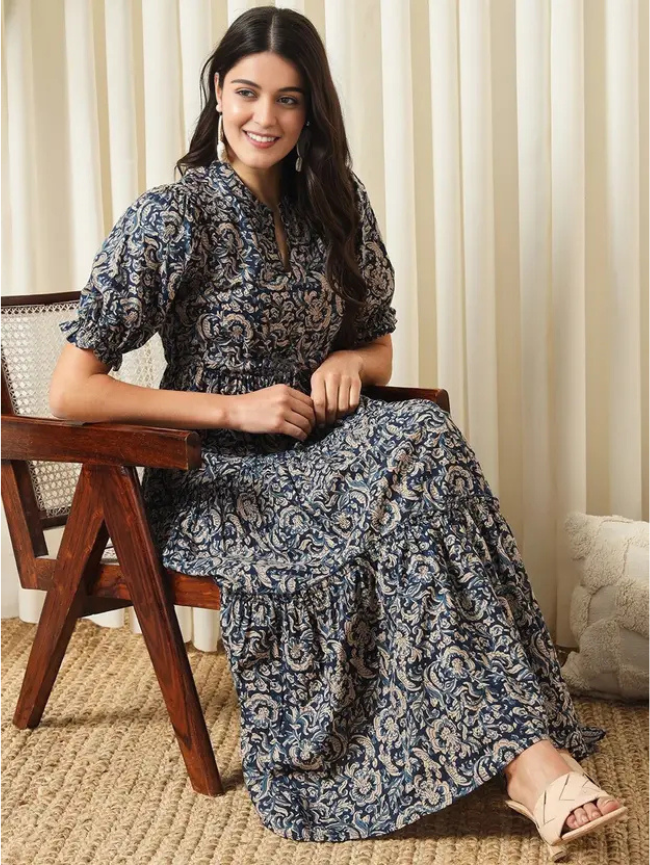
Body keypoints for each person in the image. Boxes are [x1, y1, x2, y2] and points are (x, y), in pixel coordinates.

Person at [50, 5, 627, 852]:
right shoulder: (171, 217)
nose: (265, 117)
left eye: (288, 100)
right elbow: (72, 390)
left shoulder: (336, 201)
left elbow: (378, 342)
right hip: (213, 479)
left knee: (419, 435)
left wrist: (352, 363)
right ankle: (530, 759)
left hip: (320, 454)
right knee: (414, 457)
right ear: (218, 92)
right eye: (247, 93)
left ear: (311, 110)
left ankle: (521, 753)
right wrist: (233, 408)